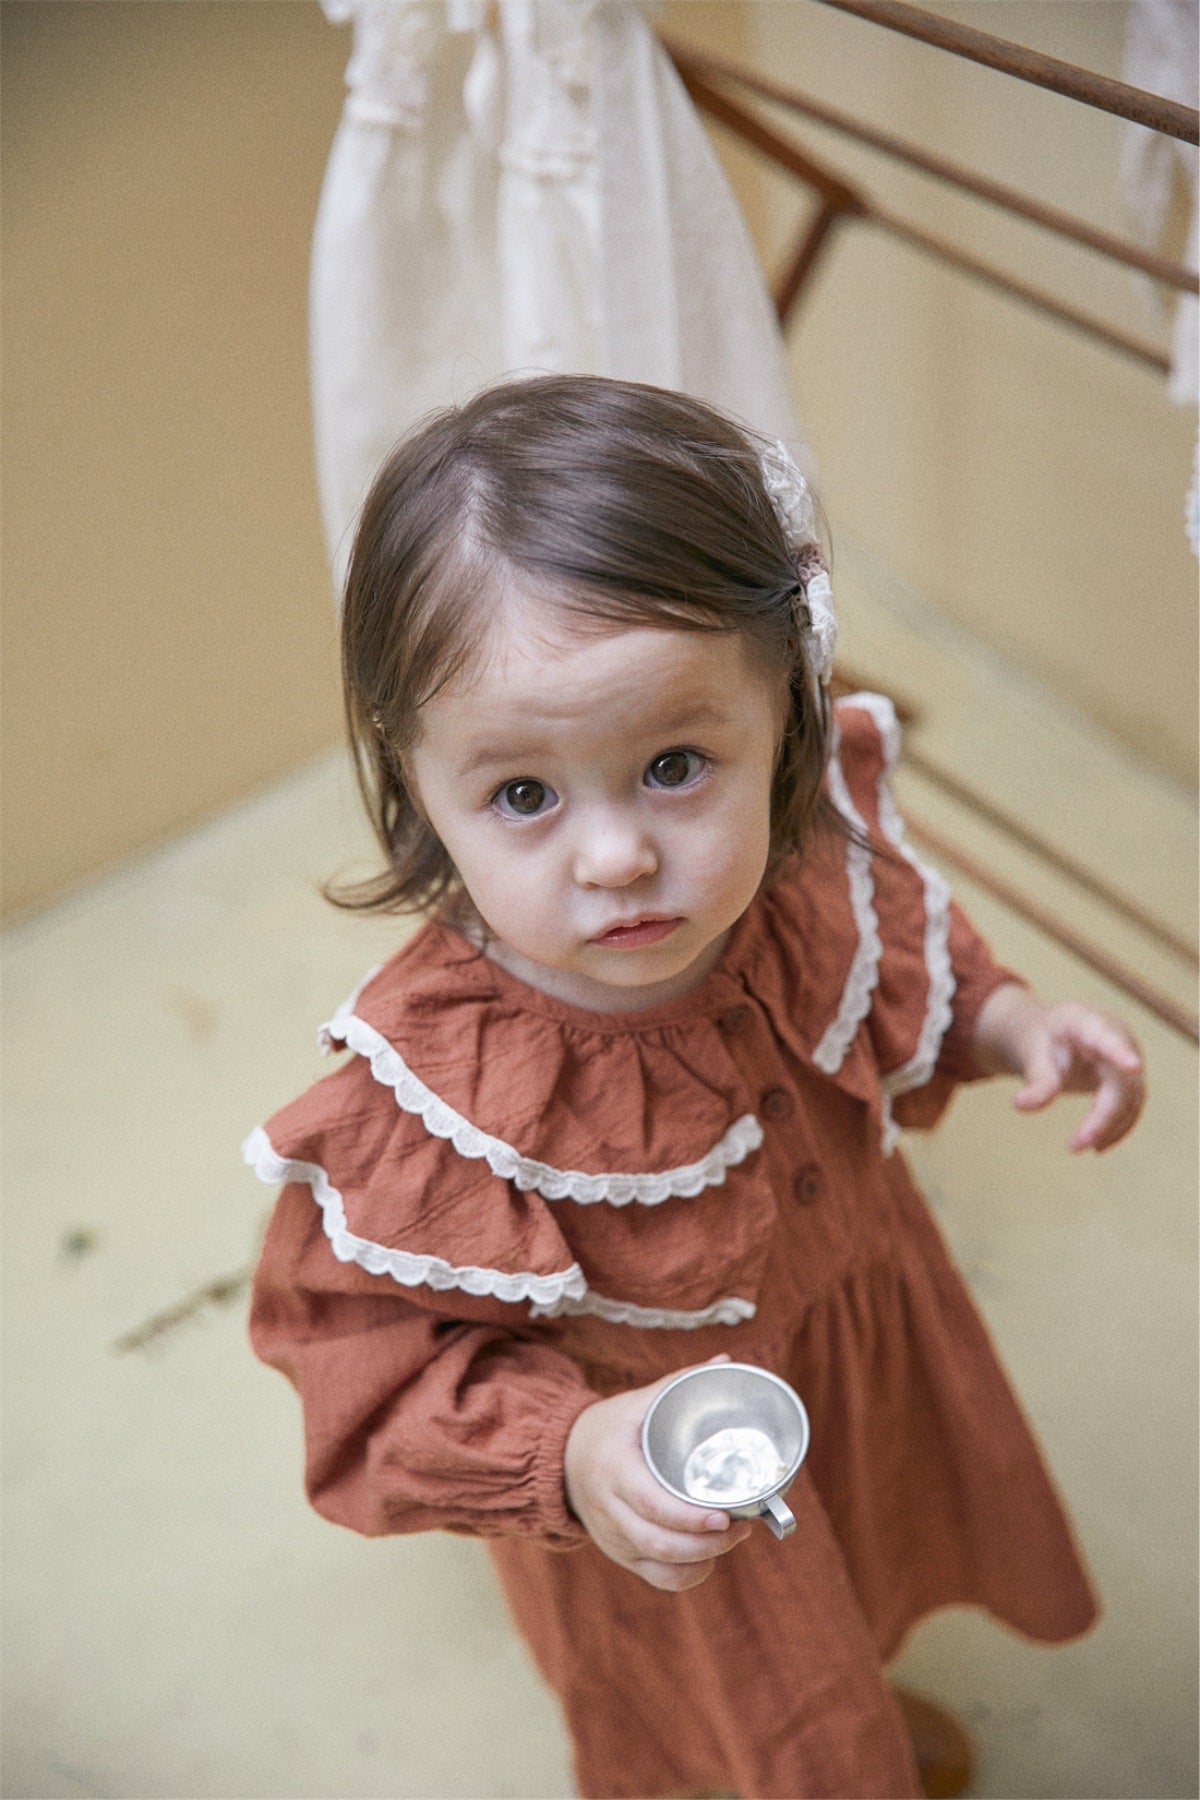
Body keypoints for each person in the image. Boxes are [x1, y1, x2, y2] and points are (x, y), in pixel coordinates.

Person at [244, 374, 1145, 1800]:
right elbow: (367, 1371)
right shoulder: (439, 1094)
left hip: (849, 1361)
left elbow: (905, 971)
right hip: (646, 1475)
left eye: (674, 764)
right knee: (725, 1697)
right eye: (524, 795)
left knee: (863, 1553)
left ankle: (847, 1692)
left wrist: (1016, 1026)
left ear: (782, 718)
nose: (614, 858)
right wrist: (575, 1446)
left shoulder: (797, 878)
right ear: (415, 786)